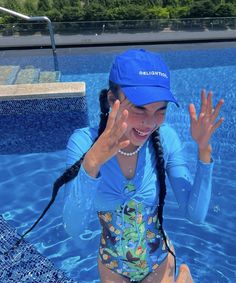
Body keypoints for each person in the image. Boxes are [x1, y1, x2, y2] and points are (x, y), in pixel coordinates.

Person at [62, 49, 224, 283]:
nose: (150, 122)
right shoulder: (83, 143)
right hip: (112, 265)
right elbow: (73, 227)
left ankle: (184, 275)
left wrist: (203, 149)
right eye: (139, 108)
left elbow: (195, 215)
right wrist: (92, 162)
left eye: (161, 110)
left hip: (158, 260)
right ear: (111, 100)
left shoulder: (165, 139)